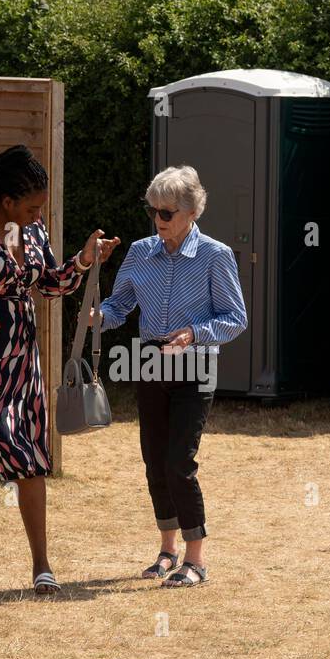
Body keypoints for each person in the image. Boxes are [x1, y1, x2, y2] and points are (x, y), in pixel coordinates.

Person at [0, 144, 119, 596]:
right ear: (8, 202)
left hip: (22, 360)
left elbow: (50, 285)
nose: (40, 216)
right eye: (33, 207)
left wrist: (82, 260)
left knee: (31, 457)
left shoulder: (29, 234)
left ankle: (42, 567)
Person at [90, 165, 247, 588]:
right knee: (155, 462)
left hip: (194, 363)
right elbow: (119, 305)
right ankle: (167, 550)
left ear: (191, 211)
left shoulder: (216, 255)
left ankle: (196, 560)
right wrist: (97, 317)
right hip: (149, 359)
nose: (158, 219)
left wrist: (195, 333)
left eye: (167, 212)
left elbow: (236, 319)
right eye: (153, 211)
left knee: (180, 462)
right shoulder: (140, 253)